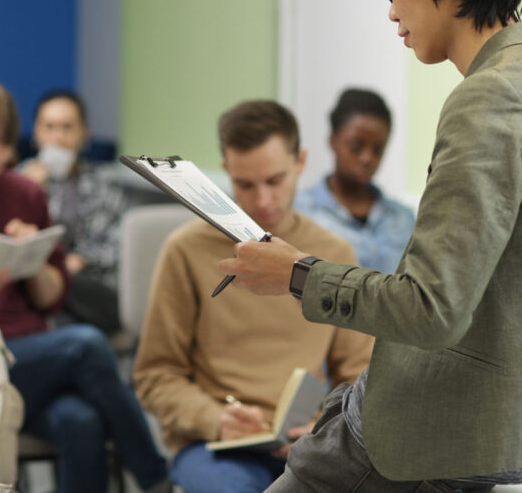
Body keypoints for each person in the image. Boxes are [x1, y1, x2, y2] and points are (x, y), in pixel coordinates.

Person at [218, 0, 522, 491]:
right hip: (483, 433)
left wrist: (296, 273)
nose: (391, 7)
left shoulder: (490, 100)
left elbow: (431, 308)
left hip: (420, 433)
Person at [0, 81, 168, 493]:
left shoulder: (24, 193)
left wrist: (30, 260)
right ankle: (158, 480)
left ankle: (156, 480)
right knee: (83, 344)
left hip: (25, 355)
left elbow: (52, 299)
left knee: (80, 421)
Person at [134, 100, 373, 493]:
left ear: (301, 162)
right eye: (245, 184)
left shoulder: (334, 253)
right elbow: (155, 376)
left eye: (275, 180)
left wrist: (323, 428)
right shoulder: (185, 251)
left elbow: (358, 375)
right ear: (226, 169)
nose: (262, 200)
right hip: (214, 444)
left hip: (309, 442)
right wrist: (215, 420)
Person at [17, 90, 127, 333]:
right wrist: (29, 195)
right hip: (35, 282)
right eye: (49, 127)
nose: (58, 137)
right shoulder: (18, 182)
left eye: (68, 128)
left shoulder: (103, 182)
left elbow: (115, 245)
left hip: (88, 286)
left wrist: (80, 260)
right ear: (36, 133)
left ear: (83, 134)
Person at [294, 88, 414, 274]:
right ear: (333, 141)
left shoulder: (404, 219)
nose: (367, 158)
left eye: (378, 150)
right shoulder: (300, 212)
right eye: (356, 147)